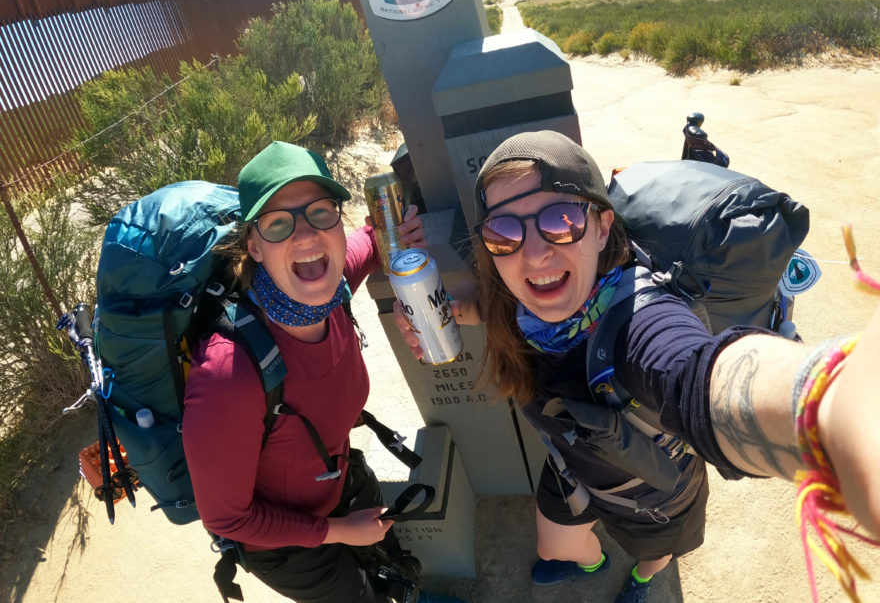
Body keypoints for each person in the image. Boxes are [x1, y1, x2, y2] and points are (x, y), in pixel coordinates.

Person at [395, 129, 880, 603]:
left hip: (650, 492)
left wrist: (832, 412)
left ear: (603, 225)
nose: (535, 252)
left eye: (561, 221)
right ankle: (592, 561)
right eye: (504, 232)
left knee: (653, 553)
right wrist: (440, 310)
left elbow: (697, 375)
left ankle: (647, 579)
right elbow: (495, 303)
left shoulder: (639, 320)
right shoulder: (519, 299)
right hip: (572, 460)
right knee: (554, 544)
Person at [182, 140, 464, 603]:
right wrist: (336, 532)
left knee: (390, 557)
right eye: (278, 223)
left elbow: (375, 238)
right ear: (253, 245)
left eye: (320, 212)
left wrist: (399, 235)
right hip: (287, 542)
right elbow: (227, 520)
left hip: (341, 478)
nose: (307, 235)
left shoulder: (330, 287)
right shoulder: (228, 376)